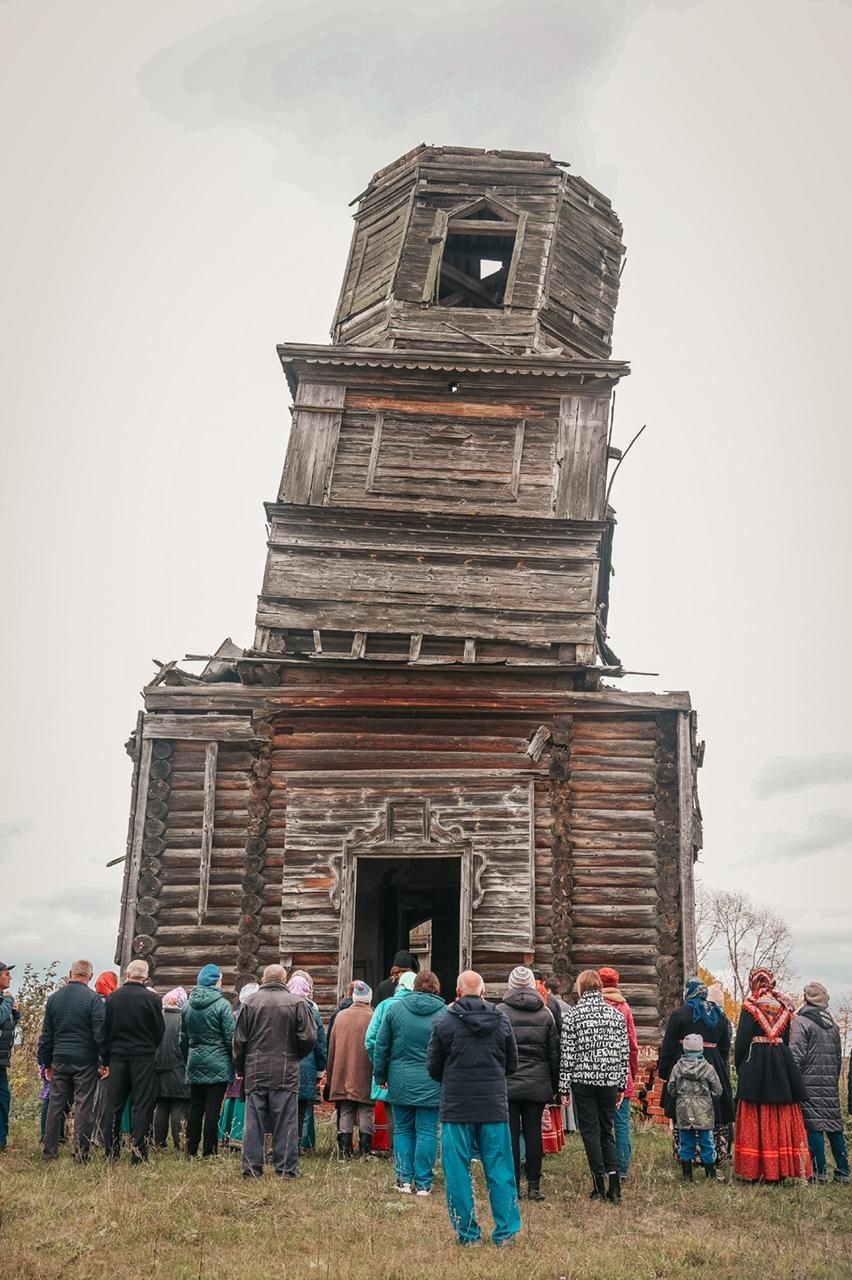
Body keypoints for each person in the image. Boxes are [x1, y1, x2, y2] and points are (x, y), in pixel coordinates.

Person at [426, 969, 521, 1249]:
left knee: (457, 1172)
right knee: (500, 1170)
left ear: (457, 993)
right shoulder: (501, 1020)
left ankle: (468, 1234)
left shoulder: (445, 1022)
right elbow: (512, 1065)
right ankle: (506, 1232)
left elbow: (433, 1066)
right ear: (483, 992)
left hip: (457, 1107)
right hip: (493, 1106)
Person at [233, 963, 317, 1179]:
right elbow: (308, 1037)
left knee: (254, 1123)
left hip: (255, 1070)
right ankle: (286, 1170)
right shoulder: (297, 1002)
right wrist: (296, 1054)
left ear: (263, 979)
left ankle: (251, 1169)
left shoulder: (249, 1003)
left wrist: (240, 1066)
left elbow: (239, 1040)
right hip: (286, 1069)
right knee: (286, 1121)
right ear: (284, 979)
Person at [733, 967, 810, 1183]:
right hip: (781, 1063)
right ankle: (779, 1170)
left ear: (753, 982)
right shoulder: (784, 1007)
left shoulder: (750, 1006)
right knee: (781, 1113)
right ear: (771, 982)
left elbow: (741, 1041)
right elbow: (785, 1039)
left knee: (756, 1113)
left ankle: (754, 1169)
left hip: (756, 1062)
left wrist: (741, 1066)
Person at [372, 969, 445, 1195]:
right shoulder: (444, 1013)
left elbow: (381, 1046)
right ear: (436, 987)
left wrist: (380, 1076)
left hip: (400, 1078)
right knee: (427, 1131)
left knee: (403, 1130)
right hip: (432, 1080)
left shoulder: (395, 1009)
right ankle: (423, 1183)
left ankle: (404, 1179)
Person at [559, 969, 629, 1204]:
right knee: (606, 1130)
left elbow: (567, 1054)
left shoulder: (573, 1017)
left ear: (580, 989)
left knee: (590, 1132)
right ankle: (615, 1185)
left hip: (583, 1079)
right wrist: (621, 1085)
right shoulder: (616, 1016)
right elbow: (623, 1053)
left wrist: (563, 1088)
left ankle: (599, 1184)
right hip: (609, 1079)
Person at [658, 977, 735, 1165]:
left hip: (684, 1063)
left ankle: (687, 1154)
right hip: (713, 1064)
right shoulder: (719, 1014)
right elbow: (724, 1046)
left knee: (684, 1105)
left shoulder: (680, 1014)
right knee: (714, 1106)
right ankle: (714, 1152)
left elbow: (668, 1045)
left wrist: (665, 1070)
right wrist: (719, 1064)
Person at [500, 965, 559, 1201]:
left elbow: (496, 1049)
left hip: (509, 1082)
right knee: (534, 1132)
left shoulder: (500, 1012)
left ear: (511, 985)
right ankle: (534, 1186)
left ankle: (512, 1184)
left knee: (511, 1133)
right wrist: (554, 1085)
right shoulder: (545, 1014)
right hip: (537, 1082)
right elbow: (554, 1053)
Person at [101, 958, 165, 1163]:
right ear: (145, 977)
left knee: (114, 1105)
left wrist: (106, 1059)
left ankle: (111, 1151)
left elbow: (106, 1030)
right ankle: (139, 1152)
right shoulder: (153, 999)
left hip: (118, 1057)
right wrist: (150, 1047)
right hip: (143, 1058)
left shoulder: (113, 998)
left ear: (127, 974)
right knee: (142, 1105)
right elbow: (159, 1030)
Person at [41, 959, 105, 1163]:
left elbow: (47, 1035)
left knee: (56, 1105)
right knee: (83, 1106)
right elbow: (100, 1034)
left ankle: (50, 1151)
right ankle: (81, 1153)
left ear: (70, 973)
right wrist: (105, 1060)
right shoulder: (94, 1000)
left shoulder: (54, 999)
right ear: (90, 976)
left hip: (59, 1058)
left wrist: (47, 1063)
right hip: (85, 1060)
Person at [790, 981, 849, 1185]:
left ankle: (819, 1171)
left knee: (813, 1125)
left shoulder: (801, 1022)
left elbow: (795, 1056)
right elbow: (838, 1057)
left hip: (808, 1082)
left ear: (806, 998)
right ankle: (843, 1171)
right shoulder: (832, 1025)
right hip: (829, 1082)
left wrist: (792, 1082)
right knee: (834, 1126)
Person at [180, 963, 235, 1158]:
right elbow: (230, 1039)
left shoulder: (187, 1005)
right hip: (218, 1062)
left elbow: (183, 1039)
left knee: (195, 1107)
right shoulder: (223, 1005)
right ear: (215, 981)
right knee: (213, 1108)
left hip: (195, 1060)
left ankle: (191, 1148)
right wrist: (234, 1062)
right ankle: (209, 1150)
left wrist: (188, 1059)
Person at [327, 980, 376, 1158]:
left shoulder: (340, 1016)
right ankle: (365, 1150)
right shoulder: (373, 1016)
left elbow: (331, 1048)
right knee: (366, 1109)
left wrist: (331, 1074)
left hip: (342, 1070)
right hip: (365, 1070)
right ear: (369, 999)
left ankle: (344, 1150)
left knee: (346, 1108)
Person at [599, 966, 640, 1182]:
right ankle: (622, 1169)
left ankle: (605, 1166)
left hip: (598, 1075)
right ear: (616, 983)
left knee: (601, 1123)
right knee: (622, 1123)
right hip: (621, 1075)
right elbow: (632, 1045)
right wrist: (632, 1071)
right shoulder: (624, 1008)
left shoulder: (595, 1007)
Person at [666, 1032, 723, 1181]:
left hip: (683, 1109)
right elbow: (718, 1090)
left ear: (684, 1049)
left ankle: (687, 1176)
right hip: (704, 1110)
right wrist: (709, 1098)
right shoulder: (708, 1068)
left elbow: (671, 1088)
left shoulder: (677, 1068)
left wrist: (679, 1096)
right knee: (707, 1142)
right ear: (701, 1049)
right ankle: (710, 1174)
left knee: (686, 1142)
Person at [287, 971, 328, 1151]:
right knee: (301, 1111)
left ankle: (279, 1147)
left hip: (284, 1067)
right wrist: (321, 1070)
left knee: (282, 1110)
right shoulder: (312, 1012)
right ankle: (294, 1149)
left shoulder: (282, 1009)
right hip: (307, 1067)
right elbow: (320, 1044)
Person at [218, 982, 259, 1147]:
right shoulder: (249, 1016)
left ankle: (225, 1134)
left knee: (232, 1095)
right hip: (245, 1061)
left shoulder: (235, 1014)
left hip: (235, 1061)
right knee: (241, 1096)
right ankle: (238, 1135)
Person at [153, 987, 190, 1150]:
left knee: (161, 1106)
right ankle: (179, 1143)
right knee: (178, 1106)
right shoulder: (182, 1019)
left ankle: (158, 1142)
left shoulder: (157, 1018)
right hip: (178, 1069)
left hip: (158, 1069)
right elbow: (186, 1045)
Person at [0, 962, 19, 1153]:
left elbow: (6, 1024)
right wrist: (8, 1001)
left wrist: (16, 1013)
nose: (10, 978)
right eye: (6, 974)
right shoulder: (3, 999)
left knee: (4, 1099)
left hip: (2, 1059)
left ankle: (2, 1141)